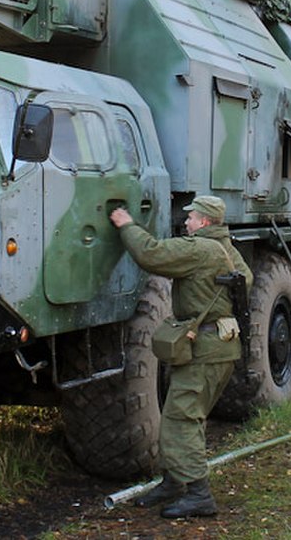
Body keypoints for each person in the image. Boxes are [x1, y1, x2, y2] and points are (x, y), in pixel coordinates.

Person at [110, 196, 253, 519]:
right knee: (186, 413)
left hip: (205, 350)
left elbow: (151, 254)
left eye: (191, 218)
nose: (186, 222)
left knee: (181, 418)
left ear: (204, 222)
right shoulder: (227, 251)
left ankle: (199, 494)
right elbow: (247, 280)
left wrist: (126, 225)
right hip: (219, 346)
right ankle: (174, 482)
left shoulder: (198, 249)